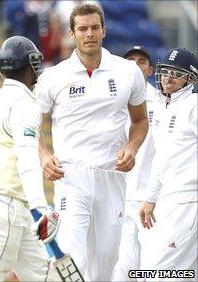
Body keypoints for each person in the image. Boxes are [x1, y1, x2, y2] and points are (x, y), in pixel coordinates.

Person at [34, 4, 148, 281]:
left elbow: (140, 121)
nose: (89, 34)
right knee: (73, 257)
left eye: (94, 28)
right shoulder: (53, 76)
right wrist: (44, 155)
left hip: (113, 176)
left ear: (104, 31)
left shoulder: (127, 72)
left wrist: (131, 148)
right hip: (72, 177)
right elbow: (30, 125)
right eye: (82, 29)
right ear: (72, 34)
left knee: (105, 263)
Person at [0, 36, 60, 281]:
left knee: (45, 277)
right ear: (32, 65)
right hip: (6, 207)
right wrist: (41, 207)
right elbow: (26, 157)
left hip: (9, 207)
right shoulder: (25, 106)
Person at [139, 47, 198, 281]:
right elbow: (163, 159)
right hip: (168, 198)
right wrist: (150, 198)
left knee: (158, 272)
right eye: (166, 72)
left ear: (190, 79)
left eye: (177, 73)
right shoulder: (163, 108)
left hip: (188, 199)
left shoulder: (193, 104)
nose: (169, 78)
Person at [111, 46, 156, 281]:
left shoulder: (161, 103)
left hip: (151, 199)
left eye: (141, 61)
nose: (135, 64)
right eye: (130, 60)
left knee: (152, 268)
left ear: (150, 70)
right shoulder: (112, 100)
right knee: (122, 270)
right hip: (119, 196)